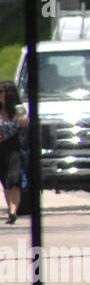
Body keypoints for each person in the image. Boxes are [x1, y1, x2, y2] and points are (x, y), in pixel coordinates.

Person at [0, 80, 29, 225]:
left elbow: (25, 126)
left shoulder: (19, 108)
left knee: (15, 180)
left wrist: (22, 119)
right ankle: (10, 207)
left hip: (15, 147)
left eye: (1, 92)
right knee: (6, 182)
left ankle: (13, 210)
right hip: (1, 148)